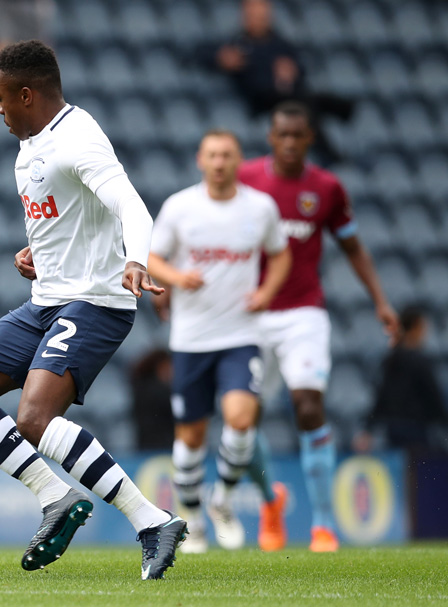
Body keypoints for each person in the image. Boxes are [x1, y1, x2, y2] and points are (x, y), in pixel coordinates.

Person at [0, 40, 186, 580]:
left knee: (33, 419)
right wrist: (38, 253)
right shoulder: (31, 144)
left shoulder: (78, 139)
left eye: (1, 98)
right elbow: (68, 217)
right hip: (46, 300)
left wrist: (137, 260)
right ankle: (54, 498)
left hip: (96, 302)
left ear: (27, 94)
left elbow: (130, 205)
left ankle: (152, 521)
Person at [240, 100, 399, 553]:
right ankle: (272, 502)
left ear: (310, 139)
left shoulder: (326, 188)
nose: (290, 143)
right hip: (251, 313)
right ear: (271, 138)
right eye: (282, 135)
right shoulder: (248, 181)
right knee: (241, 421)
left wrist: (381, 302)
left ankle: (324, 525)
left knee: (309, 406)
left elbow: (353, 248)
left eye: (298, 136)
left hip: (303, 313)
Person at [147, 130, 291, 553]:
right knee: (191, 435)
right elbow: (152, 256)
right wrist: (176, 278)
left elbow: (280, 254)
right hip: (191, 338)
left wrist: (266, 293)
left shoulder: (260, 208)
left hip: (240, 334)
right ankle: (191, 516)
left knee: (242, 419)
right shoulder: (181, 206)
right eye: (212, 154)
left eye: (227, 154)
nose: (219, 162)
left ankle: (223, 501)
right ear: (200, 160)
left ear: (238, 159)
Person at [199, 0, 353, 164]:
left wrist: (291, 71)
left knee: (306, 102)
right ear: (244, 16)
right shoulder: (237, 42)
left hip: (286, 94)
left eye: (262, 15)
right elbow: (202, 54)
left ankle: (338, 118)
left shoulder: (279, 43)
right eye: (253, 15)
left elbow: (299, 68)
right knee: (308, 103)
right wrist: (221, 59)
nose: (258, 19)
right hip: (261, 100)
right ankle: (337, 131)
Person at [355, 305, 447, 454]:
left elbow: (382, 396)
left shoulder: (391, 359)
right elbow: (434, 398)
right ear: (416, 327)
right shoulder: (420, 361)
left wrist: (368, 429)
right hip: (417, 430)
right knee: (416, 472)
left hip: (393, 430)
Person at [129, 349, 175, 452]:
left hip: (145, 446)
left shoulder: (139, 388)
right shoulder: (158, 392)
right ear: (159, 367)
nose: (171, 372)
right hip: (162, 447)